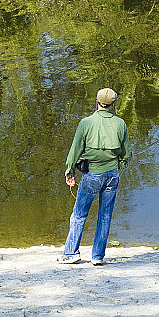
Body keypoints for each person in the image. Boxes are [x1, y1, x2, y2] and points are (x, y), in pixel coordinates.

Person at [58, 88, 131, 266]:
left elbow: (75, 150)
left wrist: (70, 171)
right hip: (112, 175)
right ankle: (97, 257)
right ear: (113, 104)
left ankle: (71, 253)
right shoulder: (120, 124)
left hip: (91, 175)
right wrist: (121, 163)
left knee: (79, 215)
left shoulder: (86, 123)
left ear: (96, 102)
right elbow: (126, 153)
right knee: (105, 216)